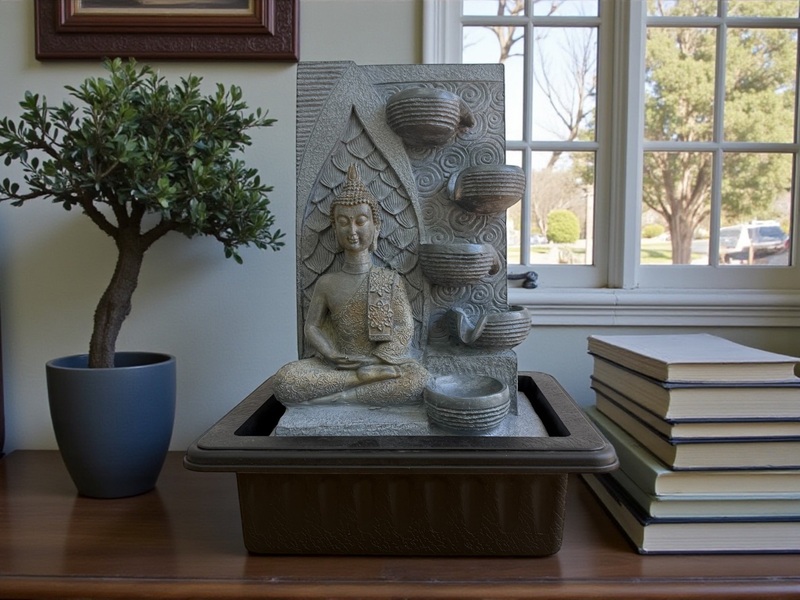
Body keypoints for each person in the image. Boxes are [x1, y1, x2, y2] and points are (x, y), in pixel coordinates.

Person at [272, 165, 428, 406]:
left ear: (376, 227)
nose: (352, 230)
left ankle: (343, 395)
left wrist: (376, 360)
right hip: (339, 365)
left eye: (361, 221)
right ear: (335, 228)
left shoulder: (389, 280)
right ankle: (359, 381)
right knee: (286, 380)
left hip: (380, 363)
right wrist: (331, 354)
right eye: (343, 222)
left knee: (418, 379)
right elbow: (312, 326)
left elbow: (404, 327)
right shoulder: (327, 282)